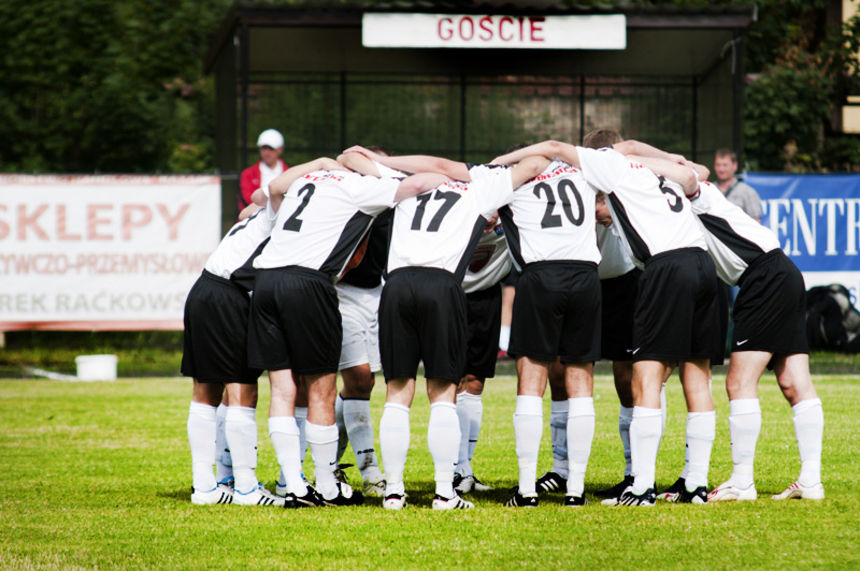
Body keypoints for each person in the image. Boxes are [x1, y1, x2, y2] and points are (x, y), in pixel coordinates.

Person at [493, 139, 720, 506]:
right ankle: (691, 483)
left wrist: (501, 163)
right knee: (695, 375)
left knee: (640, 377)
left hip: (645, 273)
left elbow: (559, 151)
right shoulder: (652, 174)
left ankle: (639, 483)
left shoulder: (606, 171)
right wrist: (658, 157)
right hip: (692, 267)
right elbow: (700, 173)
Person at [344, 146, 548, 510]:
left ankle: (393, 492)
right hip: (441, 286)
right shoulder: (481, 187)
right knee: (442, 392)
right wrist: (482, 169)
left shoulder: (410, 181)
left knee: (397, 391)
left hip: (397, 285)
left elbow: (350, 158)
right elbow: (535, 164)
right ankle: (444, 492)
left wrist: (387, 163)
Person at [248, 154, 448, 508]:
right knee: (322, 389)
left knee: (282, 387)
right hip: (309, 281)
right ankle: (326, 486)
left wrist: (321, 163)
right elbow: (419, 184)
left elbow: (269, 191)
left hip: (265, 280)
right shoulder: (360, 187)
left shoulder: (305, 181)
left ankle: (292, 485)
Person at [681, 176, 825, 501]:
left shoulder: (699, 195)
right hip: (782, 272)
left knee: (739, 382)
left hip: (763, 278)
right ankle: (810, 480)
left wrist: (631, 153)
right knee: (793, 381)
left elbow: (693, 171)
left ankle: (743, 481)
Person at [182, 201, 282, 506]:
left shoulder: (267, 207)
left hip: (203, 287)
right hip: (230, 294)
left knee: (205, 391)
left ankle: (204, 487)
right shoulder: (289, 207)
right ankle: (247, 489)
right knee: (243, 390)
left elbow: (246, 209)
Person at [453, 212, 511, 495]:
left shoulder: (513, 217)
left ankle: (465, 470)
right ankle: (456, 467)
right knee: (452, 381)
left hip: (487, 297)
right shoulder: (455, 217)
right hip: (452, 297)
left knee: (476, 381)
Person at [238, 129, 288, 213]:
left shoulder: (288, 173)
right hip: (254, 219)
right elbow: (249, 199)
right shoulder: (248, 174)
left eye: (271, 149)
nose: (266, 153)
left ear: (280, 150)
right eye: (264, 148)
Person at [713, 148, 761, 222]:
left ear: (735, 166)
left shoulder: (747, 192)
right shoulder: (709, 189)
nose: (721, 169)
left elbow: (756, 222)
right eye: (718, 165)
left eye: (725, 165)